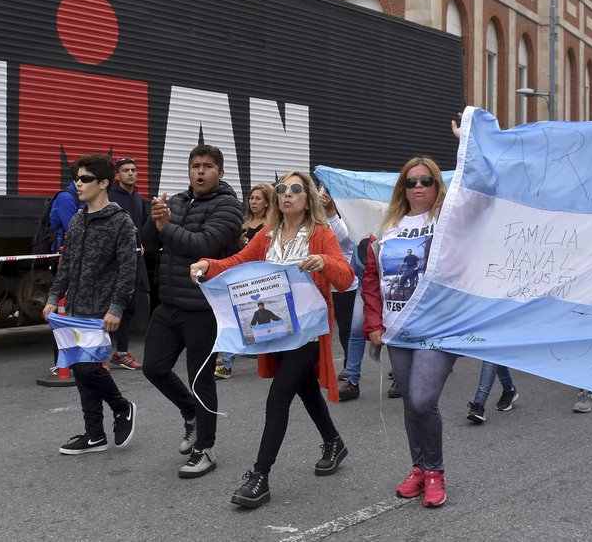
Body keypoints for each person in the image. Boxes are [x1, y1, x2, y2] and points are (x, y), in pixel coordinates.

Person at [191, 171, 353, 510]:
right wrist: (209, 265)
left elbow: (345, 276)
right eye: (282, 189)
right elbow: (238, 263)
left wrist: (324, 262)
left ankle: (260, 477)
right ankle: (334, 442)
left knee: (279, 397)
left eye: (295, 189)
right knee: (305, 388)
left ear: (307, 197)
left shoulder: (320, 234)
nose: (287, 194)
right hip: (276, 331)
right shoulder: (268, 235)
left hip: (309, 330)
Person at [141, 145, 244, 479]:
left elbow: (204, 246)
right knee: (153, 368)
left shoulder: (229, 207)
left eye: (208, 166)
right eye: (195, 166)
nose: (200, 171)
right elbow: (149, 243)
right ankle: (190, 415)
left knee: (201, 380)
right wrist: (154, 218)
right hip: (169, 303)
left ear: (220, 173)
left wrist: (166, 227)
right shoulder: (176, 202)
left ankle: (206, 448)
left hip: (203, 308)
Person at [363, 157, 451, 508]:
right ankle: (419, 469)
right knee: (410, 406)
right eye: (411, 182)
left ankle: (435, 472)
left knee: (421, 400)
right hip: (397, 329)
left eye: (426, 181)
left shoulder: (447, 219)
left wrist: (469, 140)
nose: (418, 187)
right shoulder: (387, 227)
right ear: (402, 187)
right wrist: (374, 323)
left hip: (437, 329)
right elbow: (371, 278)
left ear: (437, 186)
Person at [43, 153, 137, 455]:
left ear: (104, 183)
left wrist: (116, 307)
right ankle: (94, 433)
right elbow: (67, 265)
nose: (78, 184)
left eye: (85, 179)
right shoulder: (77, 220)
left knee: (85, 368)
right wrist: (53, 298)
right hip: (75, 310)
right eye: (77, 178)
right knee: (81, 369)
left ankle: (122, 407)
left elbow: (127, 269)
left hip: (101, 311)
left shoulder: (120, 221)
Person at [216, 183, 275, 380]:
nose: (254, 202)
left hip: (259, 279)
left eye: (259, 199)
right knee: (236, 318)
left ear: (267, 203)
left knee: (247, 319)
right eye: (252, 198)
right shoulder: (244, 222)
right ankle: (227, 359)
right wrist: (239, 244)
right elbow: (234, 251)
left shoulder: (271, 226)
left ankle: (227, 360)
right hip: (239, 276)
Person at [107, 156, 147, 370]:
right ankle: (98, 354)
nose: (131, 173)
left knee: (130, 307)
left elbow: (143, 226)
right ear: (117, 175)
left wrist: (142, 243)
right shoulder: (111, 197)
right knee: (109, 306)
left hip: (135, 261)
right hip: (114, 263)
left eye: (133, 169)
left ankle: (121, 352)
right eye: (125, 170)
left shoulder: (139, 198)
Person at [319, 184, 359, 387]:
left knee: (346, 329)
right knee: (319, 328)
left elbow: (342, 239)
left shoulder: (345, 220)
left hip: (344, 286)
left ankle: (349, 365)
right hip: (320, 285)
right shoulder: (315, 220)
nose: (322, 196)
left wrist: (332, 213)